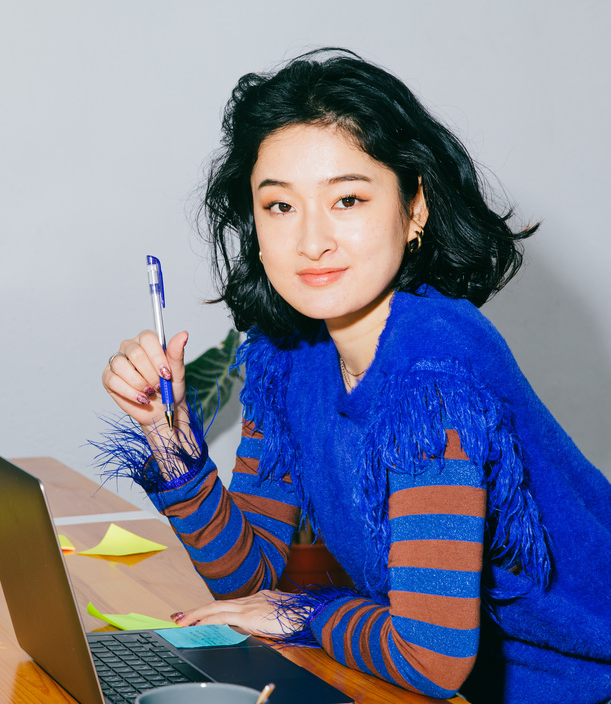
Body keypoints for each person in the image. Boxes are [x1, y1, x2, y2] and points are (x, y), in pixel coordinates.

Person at [96, 48, 611, 703]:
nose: (311, 241)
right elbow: (249, 576)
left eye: (346, 199)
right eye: (279, 206)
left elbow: (430, 657)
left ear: (414, 207)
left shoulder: (431, 376)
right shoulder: (287, 353)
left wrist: (304, 613)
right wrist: (170, 443)